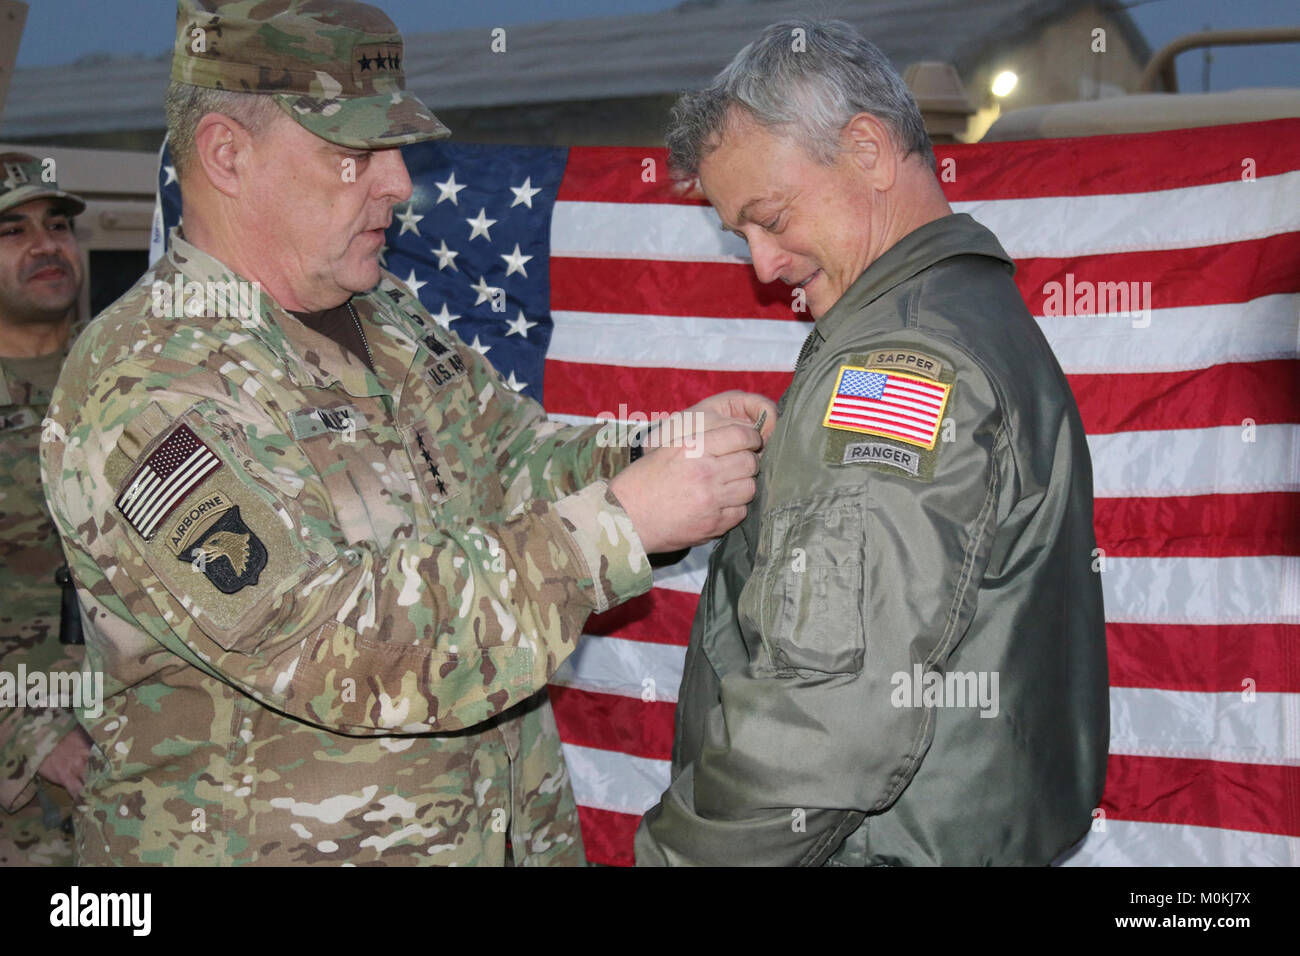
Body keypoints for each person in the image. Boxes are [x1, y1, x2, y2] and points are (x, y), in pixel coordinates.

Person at [40, 0, 771, 866]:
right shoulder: (147, 382)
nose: (397, 182)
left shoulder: (378, 314)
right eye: (355, 154)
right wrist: (616, 527)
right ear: (228, 155)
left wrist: (654, 454)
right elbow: (324, 639)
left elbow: (514, 460)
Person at [636, 19, 1109, 866]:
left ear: (867, 149)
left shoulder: (904, 362)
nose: (762, 264)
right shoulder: (965, 315)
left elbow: (824, 720)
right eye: (739, 233)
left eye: (770, 217)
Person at [0, 152, 94, 865]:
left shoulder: (131, 383)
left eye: (57, 225)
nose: (46, 245)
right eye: (13, 230)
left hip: (159, 769)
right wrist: (32, 735)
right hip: (27, 807)